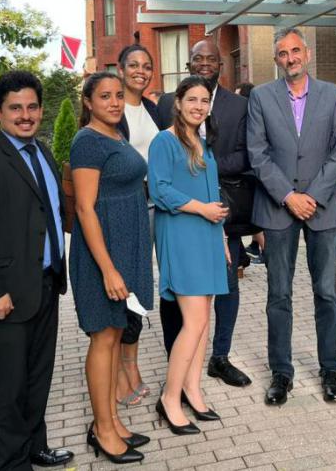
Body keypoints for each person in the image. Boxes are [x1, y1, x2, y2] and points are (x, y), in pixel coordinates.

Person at [0, 70, 74, 470]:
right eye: (15, 108)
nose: (25, 115)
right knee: (8, 389)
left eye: (32, 107)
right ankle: (12, 464)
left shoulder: (42, 153)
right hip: (4, 295)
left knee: (37, 378)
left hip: (45, 285)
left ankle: (35, 446)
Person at [246, 28, 336, 406]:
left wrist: (313, 196)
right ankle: (281, 373)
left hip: (322, 209)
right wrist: (289, 196)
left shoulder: (333, 95)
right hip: (278, 208)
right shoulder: (261, 97)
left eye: (295, 51)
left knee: (327, 292)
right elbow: (257, 153)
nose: (290, 58)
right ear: (276, 59)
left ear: (307, 53)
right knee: (279, 294)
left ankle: (329, 369)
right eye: (282, 53)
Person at [157, 39, 253, 388]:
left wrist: (206, 166)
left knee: (226, 286)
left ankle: (220, 357)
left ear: (221, 65)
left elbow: (247, 154)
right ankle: (178, 362)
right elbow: (163, 161)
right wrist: (196, 170)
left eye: (212, 59)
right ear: (189, 63)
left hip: (223, 211)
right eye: (199, 58)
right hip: (182, 218)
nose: (205, 63)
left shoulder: (239, 105)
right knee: (180, 293)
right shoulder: (167, 103)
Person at [69, 72, 153, 464]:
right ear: (88, 102)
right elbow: (85, 208)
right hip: (102, 253)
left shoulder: (116, 135)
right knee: (103, 337)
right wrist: (107, 269)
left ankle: (113, 421)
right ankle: (102, 430)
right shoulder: (88, 141)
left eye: (119, 95)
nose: (115, 102)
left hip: (125, 246)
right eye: (105, 96)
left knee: (116, 333)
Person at [149, 76, 230, 435]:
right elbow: (159, 190)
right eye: (192, 99)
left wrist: (221, 237)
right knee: (193, 322)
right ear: (178, 103)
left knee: (204, 321)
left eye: (205, 100)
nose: (199, 106)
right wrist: (202, 209)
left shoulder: (203, 142)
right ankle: (170, 398)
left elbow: (213, 192)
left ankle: (193, 391)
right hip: (182, 234)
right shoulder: (164, 141)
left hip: (208, 234)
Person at [114, 44, 163, 406]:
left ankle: (132, 366)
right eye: (133, 65)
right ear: (120, 69)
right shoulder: (111, 110)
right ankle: (118, 373)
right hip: (123, 208)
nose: (140, 71)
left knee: (141, 287)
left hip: (152, 205)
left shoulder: (152, 109)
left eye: (147, 66)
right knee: (124, 286)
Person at [235, 82, 266, 264]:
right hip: (249, 177)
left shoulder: (250, 117)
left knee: (256, 223)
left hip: (250, 178)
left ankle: (267, 254)